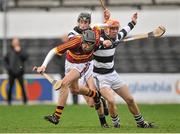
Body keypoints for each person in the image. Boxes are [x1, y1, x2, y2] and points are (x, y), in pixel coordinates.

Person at [35, 24, 111, 126]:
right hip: (70, 63)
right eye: (85, 44)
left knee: (64, 83)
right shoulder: (75, 42)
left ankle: (56, 116)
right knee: (74, 90)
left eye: (90, 45)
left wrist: (106, 39)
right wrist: (43, 66)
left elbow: (98, 27)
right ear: (82, 40)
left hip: (83, 64)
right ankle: (96, 95)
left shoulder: (96, 39)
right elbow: (53, 50)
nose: (87, 47)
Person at [93, 13, 155, 128]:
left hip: (112, 74)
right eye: (112, 29)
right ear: (106, 29)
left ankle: (141, 123)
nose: (115, 31)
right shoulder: (98, 37)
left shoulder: (117, 37)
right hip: (100, 77)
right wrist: (102, 43)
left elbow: (126, 30)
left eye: (116, 29)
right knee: (111, 100)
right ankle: (116, 124)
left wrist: (133, 22)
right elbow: (94, 30)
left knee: (130, 99)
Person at [67, 11, 110, 127]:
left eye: (86, 22)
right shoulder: (72, 33)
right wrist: (100, 40)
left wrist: (107, 20)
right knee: (91, 103)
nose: (83, 24)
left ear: (89, 23)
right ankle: (100, 97)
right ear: (78, 22)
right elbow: (84, 41)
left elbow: (106, 28)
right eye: (81, 22)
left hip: (88, 67)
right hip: (76, 67)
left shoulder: (93, 31)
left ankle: (103, 123)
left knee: (94, 100)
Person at [3, 37, 28, 105]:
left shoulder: (22, 50)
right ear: (12, 43)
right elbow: (5, 61)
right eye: (14, 41)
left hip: (20, 72)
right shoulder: (9, 51)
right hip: (11, 72)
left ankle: (25, 101)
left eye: (17, 41)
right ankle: (8, 102)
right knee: (10, 87)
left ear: (18, 43)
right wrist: (8, 68)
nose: (15, 43)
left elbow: (25, 58)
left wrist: (19, 51)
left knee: (22, 87)